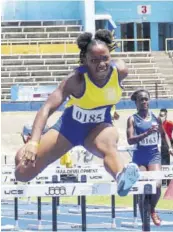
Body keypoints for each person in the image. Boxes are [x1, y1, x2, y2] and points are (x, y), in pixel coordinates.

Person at [15, 29, 140, 197]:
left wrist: (112, 109)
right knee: (22, 172)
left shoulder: (120, 71)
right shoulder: (76, 80)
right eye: (94, 60)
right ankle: (29, 146)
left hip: (99, 128)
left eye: (105, 58)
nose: (101, 64)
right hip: (67, 130)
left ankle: (122, 177)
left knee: (110, 144)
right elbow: (46, 108)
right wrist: (33, 142)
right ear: (85, 61)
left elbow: (106, 94)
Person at [126, 89, 173, 226]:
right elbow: (130, 140)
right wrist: (146, 133)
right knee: (143, 189)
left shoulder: (155, 118)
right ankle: (144, 224)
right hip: (139, 157)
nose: (144, 102)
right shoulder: (132, 119)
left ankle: (152, 209)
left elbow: (164, 135)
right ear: (136, 103)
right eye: (141, 99)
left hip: (153, 155)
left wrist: (169, 147)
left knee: (157, 185)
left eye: (146, 99)